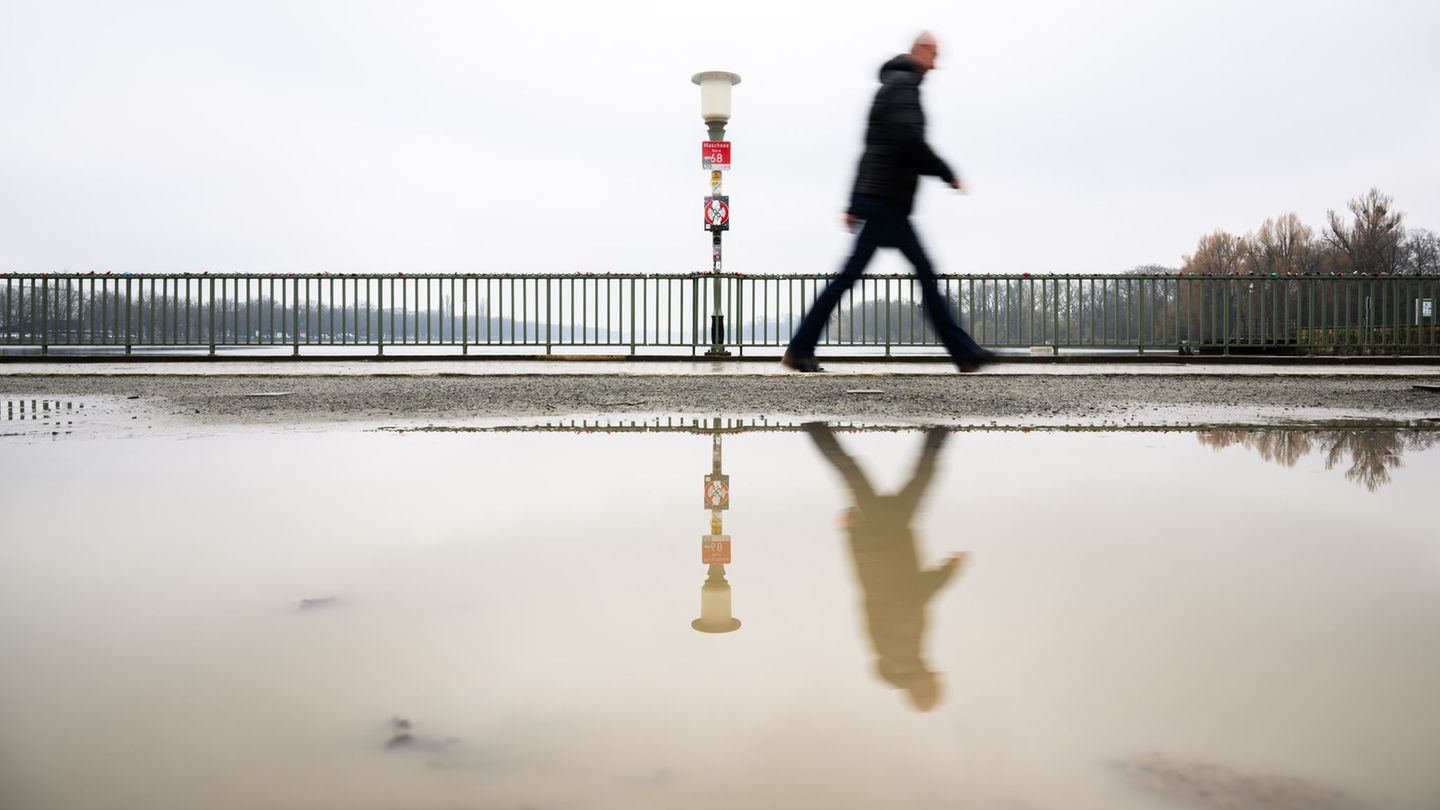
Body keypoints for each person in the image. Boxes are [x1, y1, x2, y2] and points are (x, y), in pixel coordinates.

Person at [782, 32, 993, 373]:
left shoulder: (892, 85)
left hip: (878, 197)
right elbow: (909, 140)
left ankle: (799, 348)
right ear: (920, 51)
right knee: (921, 275)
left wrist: (854, 201)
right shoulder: (904, 86)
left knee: (852, 278)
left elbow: (869, 150)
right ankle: (965, 354)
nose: (936, 65)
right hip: (887, 199)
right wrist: (946, 172)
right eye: (934, 55)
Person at [804, 422, 967, 712]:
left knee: (918, 473)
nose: (939, 675)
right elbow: (870, 594)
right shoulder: (895, 655)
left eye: (935, 684)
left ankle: (942, 422)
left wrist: (950, 570)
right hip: (879, 545)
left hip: (887, 540)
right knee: (858, 473)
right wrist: (853, 539)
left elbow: (913, 593)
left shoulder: (902, 651)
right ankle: (815, 428)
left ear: (921, 687)